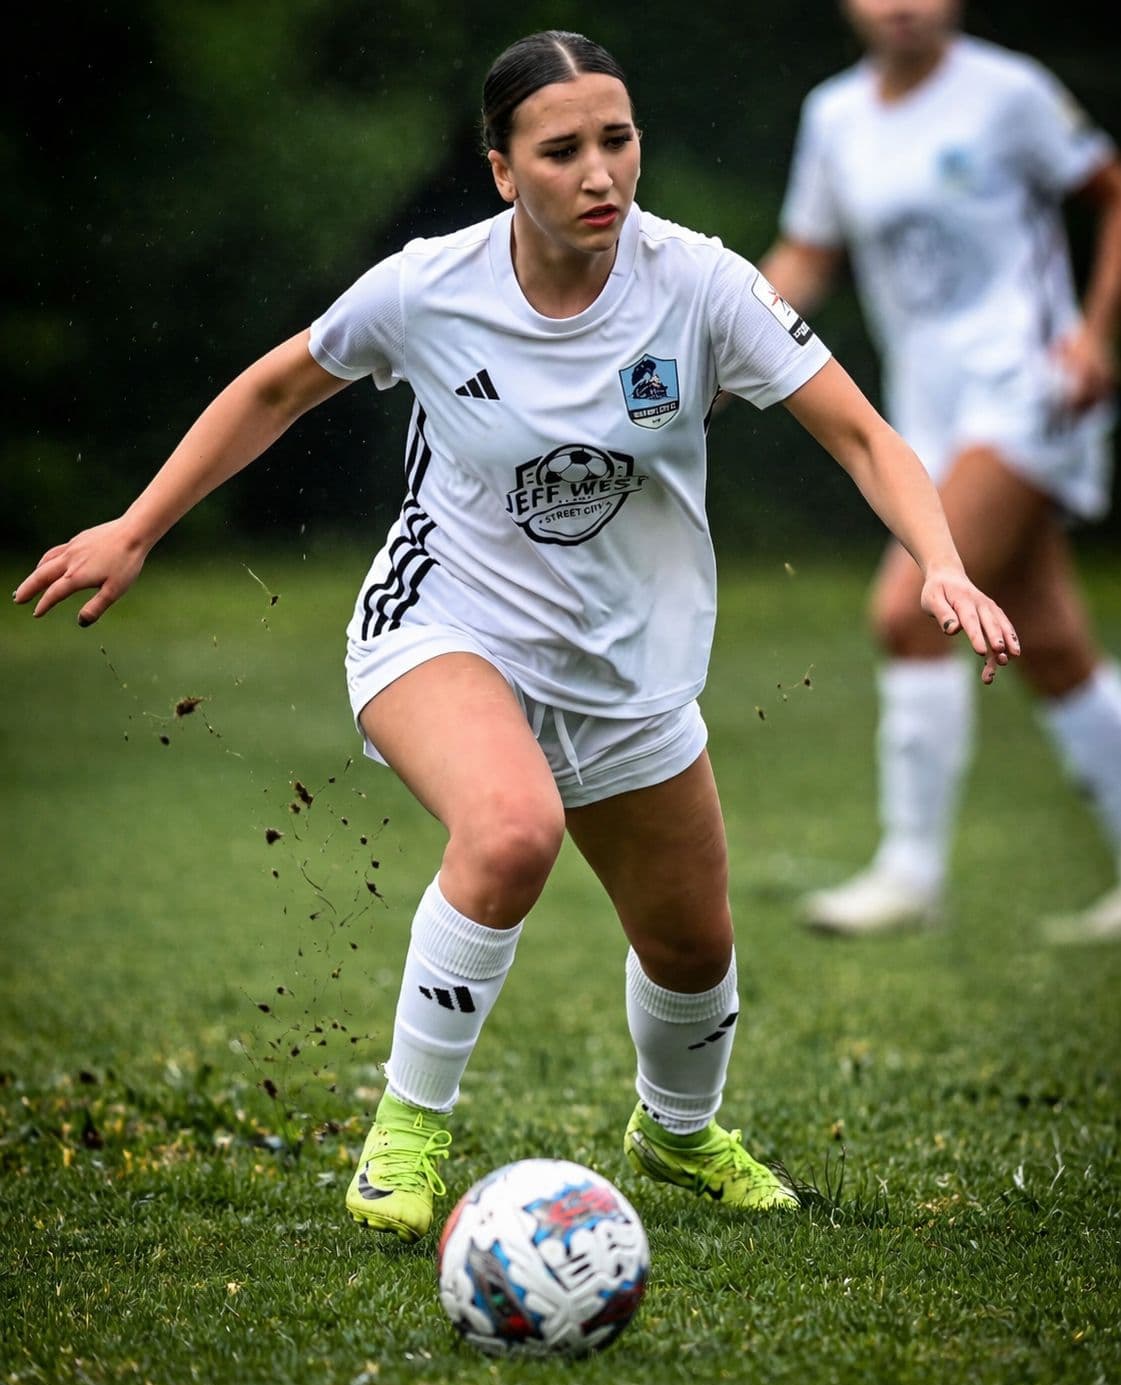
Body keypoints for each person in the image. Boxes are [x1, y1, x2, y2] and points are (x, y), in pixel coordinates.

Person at [13, 30, 1018, 1244]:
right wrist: (137, 525)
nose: (600, 174)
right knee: (509, 830)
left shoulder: (699, 283)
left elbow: (861, 436)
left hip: (624, 670)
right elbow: (276, 386)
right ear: (502, 171)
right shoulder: (428, 287)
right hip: (442, 627)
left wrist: (941, 559)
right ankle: (406, 1131)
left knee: (693, 947)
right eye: (562, 151)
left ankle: (678, 1132)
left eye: (617, 139)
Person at [761, 0, 1121, 942]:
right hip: (927, 412)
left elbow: (1112, 190)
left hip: (1028, 390)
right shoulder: (832, 114)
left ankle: (909, 873)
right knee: (1046, 638)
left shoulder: (1006, 93)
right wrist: (722, 332)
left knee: (910, 607)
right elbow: (808, 251)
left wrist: (1095, 337)